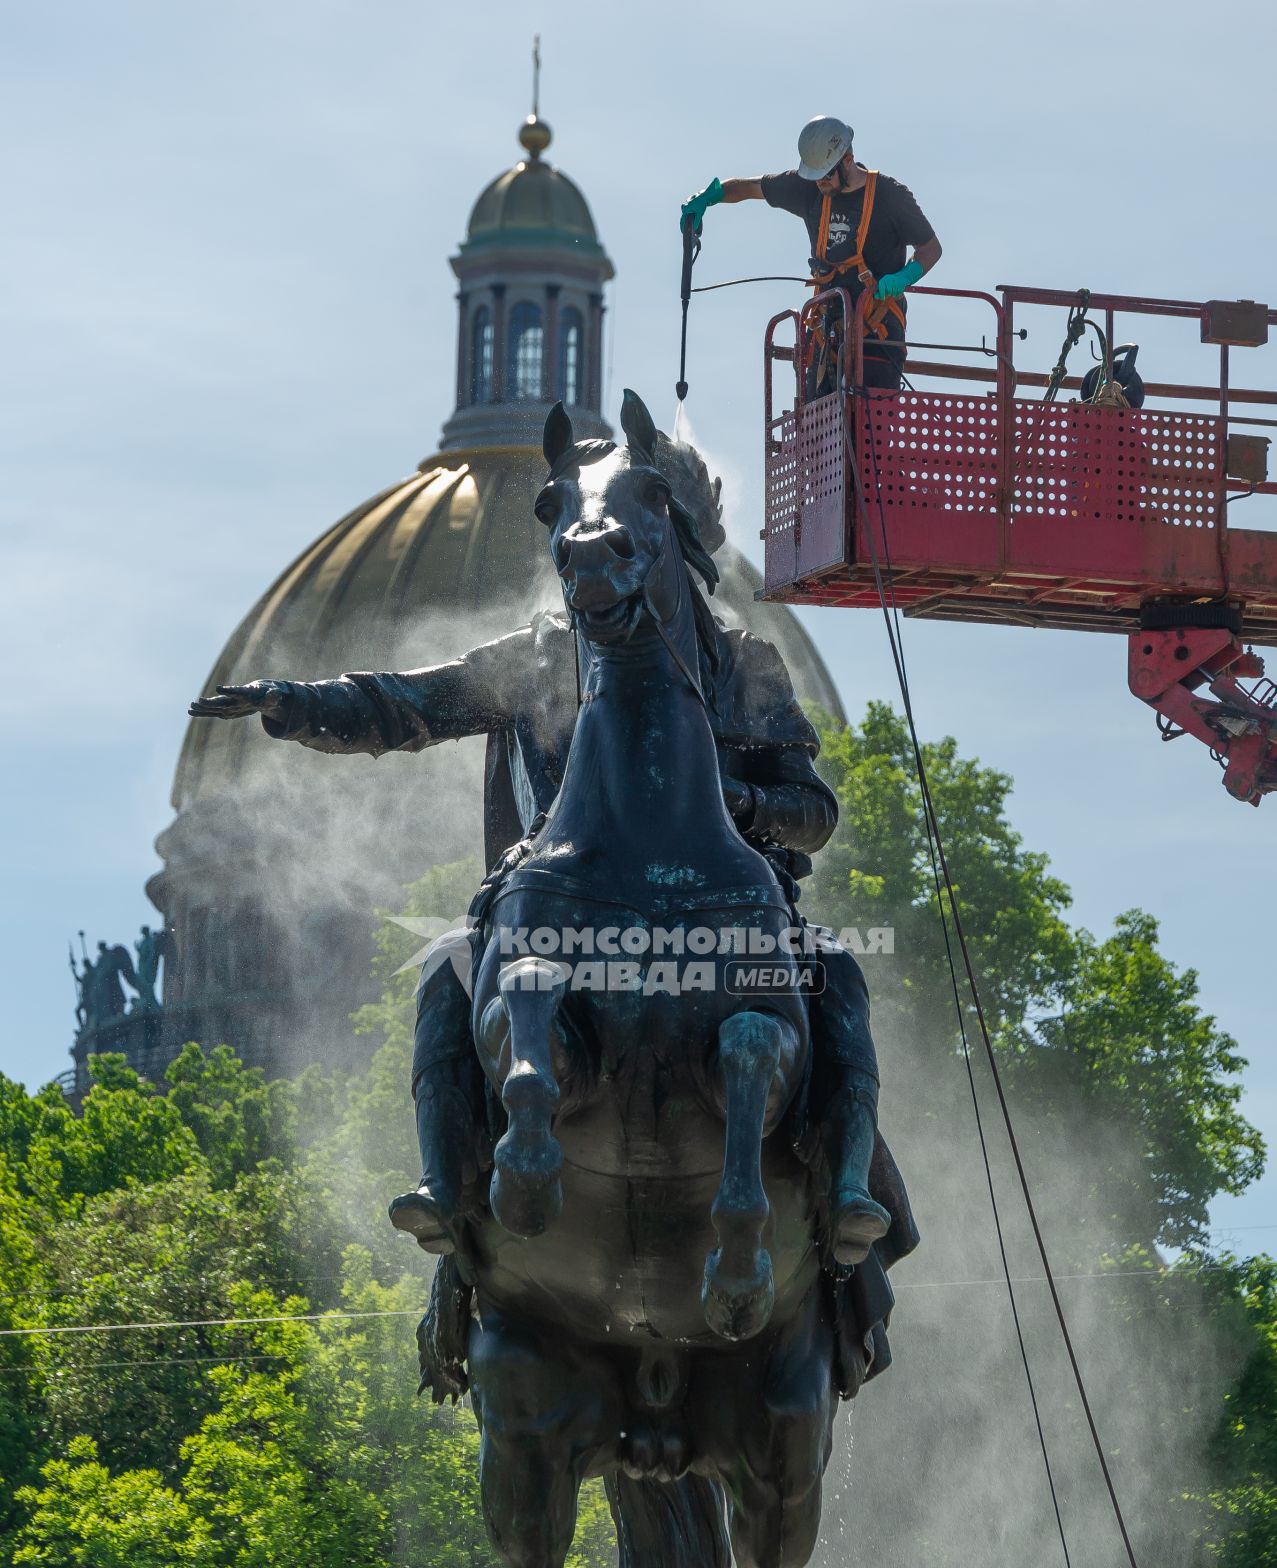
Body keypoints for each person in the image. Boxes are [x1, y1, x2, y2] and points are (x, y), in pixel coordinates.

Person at [190, 434, 914, 1286]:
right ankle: (447, 1183)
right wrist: (293, 699)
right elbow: (405, 704)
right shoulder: (535, 658)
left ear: (670, 546)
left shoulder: (740, 664)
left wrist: (746, 806)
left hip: (725, 909)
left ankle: (844, 1190)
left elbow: (814, 811)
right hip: (559, 892)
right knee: (449, 971)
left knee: (837, 972)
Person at [681, 115, 941, 392]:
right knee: (818, 425)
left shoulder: (890, 196)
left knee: (868, 428)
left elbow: (930, 249)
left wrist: (904, 276)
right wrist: (708, 197)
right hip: (826, 335)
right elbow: (749, 187)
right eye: (815, 177)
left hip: (878, 335)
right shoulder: (809, 189)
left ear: (848, 159)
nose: (821, 183)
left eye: (827, 175)